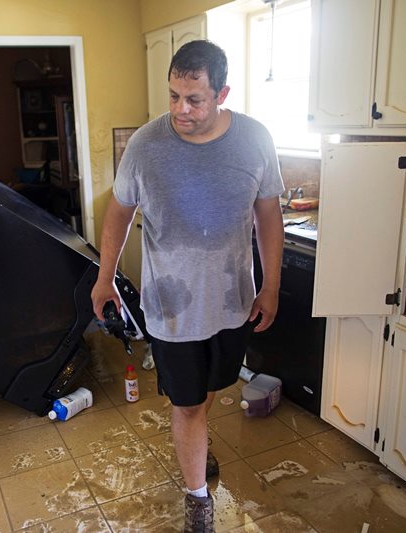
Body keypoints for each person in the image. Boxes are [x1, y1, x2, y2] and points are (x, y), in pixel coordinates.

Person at [91, 39, 284, 532]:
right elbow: (120, 210)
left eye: (194, 99)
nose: (181, 110)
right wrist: (105, 276)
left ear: (222, 94)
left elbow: (268, 215)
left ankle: (197, 442)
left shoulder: (255, 140)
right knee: (189, 403)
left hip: (232, 302)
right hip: (171, 308)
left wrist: (271, 286)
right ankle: (198, 498)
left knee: (211, 390)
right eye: (174, 96)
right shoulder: (145, 146)